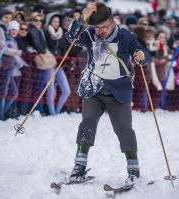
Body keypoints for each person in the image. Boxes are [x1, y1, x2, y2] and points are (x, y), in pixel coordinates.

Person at [65, 2, 149, 185]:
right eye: (97, 27)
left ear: (112, 22)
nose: (100, 31)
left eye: (103, 27)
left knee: (124, 129)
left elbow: (142, 53)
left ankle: (133, 169)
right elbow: (70, 37)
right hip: (93, 89)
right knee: (87, 124)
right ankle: (79, 167)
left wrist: (141, 56)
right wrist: (82, 17)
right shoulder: (89, 34)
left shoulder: (126, 35)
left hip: (118, 92)